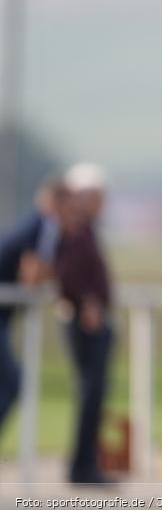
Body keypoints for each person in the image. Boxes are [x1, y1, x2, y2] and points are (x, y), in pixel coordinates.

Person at [55, 163, 116, 484]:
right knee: (90, 394)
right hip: (84, 325)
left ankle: (87, 464)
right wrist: (87, 303)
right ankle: (83, 468)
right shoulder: (74, 231)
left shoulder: (84, 230)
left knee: (95, 395)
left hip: (93, 322)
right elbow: (66, 275)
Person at [0, 178, 68, 439]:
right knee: (12, 383)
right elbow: (32, 276)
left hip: (5, 315)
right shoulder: (41, 227)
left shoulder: (39, 226)